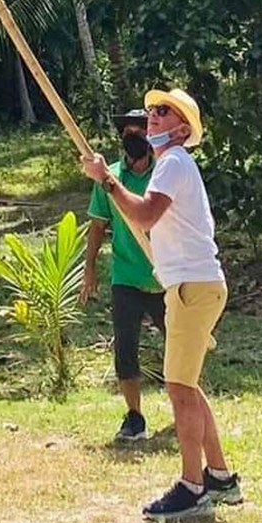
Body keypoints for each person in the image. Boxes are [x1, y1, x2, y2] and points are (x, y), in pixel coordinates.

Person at [82, 88, 242, 519]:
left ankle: (193, 486)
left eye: (163, 111)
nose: (152, 116)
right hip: (191, 286)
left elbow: (145, 215)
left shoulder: (172, 162)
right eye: (152, 109)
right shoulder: (172, 164)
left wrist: (107, 180)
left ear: (182, 129)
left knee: (179, 389)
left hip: (193, 287)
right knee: (186, 385)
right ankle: (221, 478)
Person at [82, 108, 165, 443]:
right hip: (126, 275)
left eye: (140, 132)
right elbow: (97, 226)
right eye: (128, 133)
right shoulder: (109, 178)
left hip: (165, 277)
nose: (133, 138)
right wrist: (89, 269)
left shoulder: (165, 174)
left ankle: (185, 404)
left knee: (180, 345)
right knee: (125, 349)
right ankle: (134, 416)